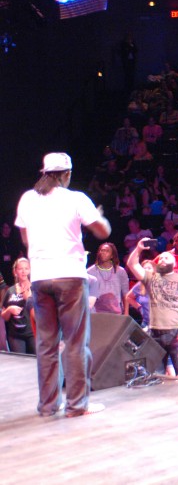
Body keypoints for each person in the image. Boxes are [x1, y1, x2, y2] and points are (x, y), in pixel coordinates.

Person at [15, 152, 111, 417]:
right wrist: (99, 217)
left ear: (44, 173)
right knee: (75, 343)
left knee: (46, 344)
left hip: (41, 277)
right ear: (66, 174)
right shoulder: (76, 199)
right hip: (69, 275)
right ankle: (77, 405)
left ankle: (47, 406)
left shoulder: (27, 199)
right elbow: (102, 232)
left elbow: (26, 239)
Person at [128, 240, 178, 375]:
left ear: (174, 263)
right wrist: (138, 249)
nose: (163, 259)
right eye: (161, 257)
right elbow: (132, 264)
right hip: (155, 333)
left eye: (167, 257)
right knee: (156, 373)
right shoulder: (150, 278)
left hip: (175, 332)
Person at [2, 257, 35, 354]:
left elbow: (42, 314)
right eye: (20, 269)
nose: (24, 272)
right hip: (15, 336)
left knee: (35, 363)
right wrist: (9, 310)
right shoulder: (10, 291)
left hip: (32, 334)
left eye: (26, 268)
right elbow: (4, 317)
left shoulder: (36, 289)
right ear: (15, 271)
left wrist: (29, 299)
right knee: (19, 364)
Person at [86, 242, 129, 315]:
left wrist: (126, 312)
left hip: (115, 312)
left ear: (112, 255)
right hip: (96, 312)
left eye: (107, 251)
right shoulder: (90, 272)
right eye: (101, 250)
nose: (103, 253)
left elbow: (125, 293)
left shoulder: (120, 271)